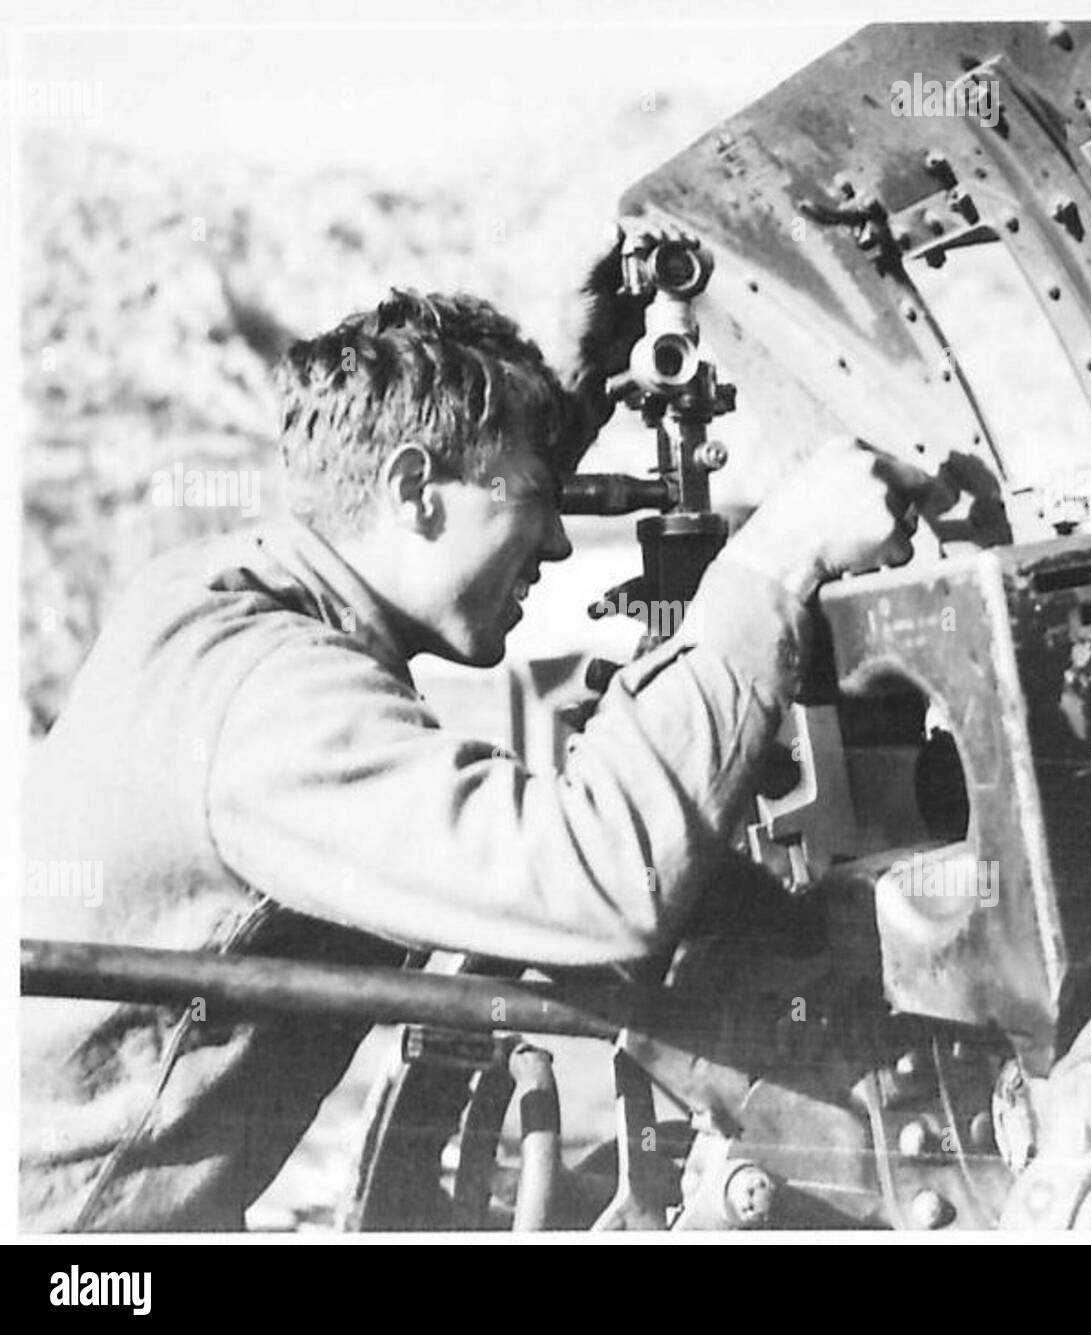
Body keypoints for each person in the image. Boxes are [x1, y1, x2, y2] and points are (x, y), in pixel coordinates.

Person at [21, 223, 929, 1232]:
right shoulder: (268, 705)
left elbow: (456, 502)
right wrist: (776, 560)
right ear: (411, 487)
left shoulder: (212, 597)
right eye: (539, 501)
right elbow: (594, 883)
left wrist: (574, 390)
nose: (553, 537)